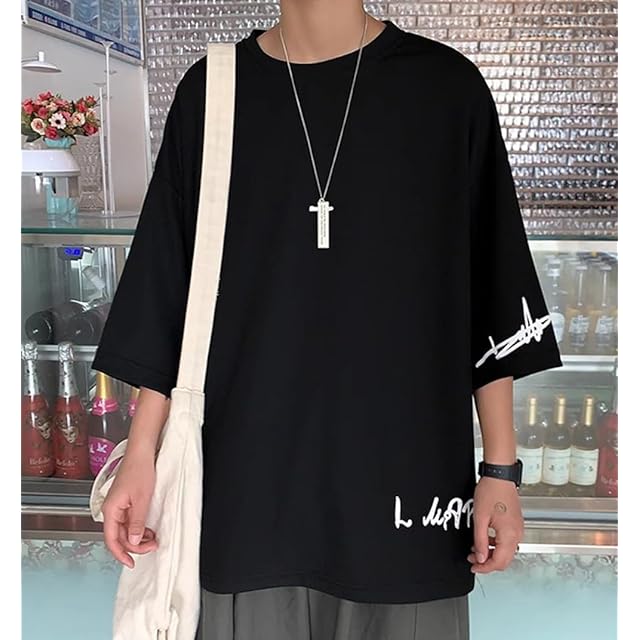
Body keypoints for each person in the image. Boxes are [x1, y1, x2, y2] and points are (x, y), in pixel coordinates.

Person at [92, 1, 562, 638]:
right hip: (249, 486)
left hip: (406, 483)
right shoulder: (213, 90)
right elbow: (168, 290)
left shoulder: (446, 89)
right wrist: (141, 453)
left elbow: (492, 288)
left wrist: (501, 470)